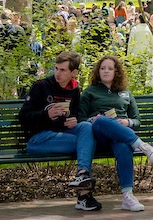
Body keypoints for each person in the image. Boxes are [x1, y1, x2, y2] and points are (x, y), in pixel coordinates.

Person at [19, 51, 103, 211]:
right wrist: (45, 114)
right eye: (56, 68)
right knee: (86, 144)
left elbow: (77, 113)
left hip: (61, 134)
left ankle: (82, 174)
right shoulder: (41, 86)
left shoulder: (75, 90)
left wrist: (74, 119)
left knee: (86, 127)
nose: (58, 73)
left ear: (74, 72)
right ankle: (84, 196)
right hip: (38, 139)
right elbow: (23, 117)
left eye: (63, 70)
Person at [77, 55, 153, 211]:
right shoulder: (89, 92)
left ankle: (127, 196)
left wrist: (127, 122)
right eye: (102, 68)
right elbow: (81, 120)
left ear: (117, 72)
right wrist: (93, 119)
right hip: (98, 136)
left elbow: (136, 120)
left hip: (120, 136)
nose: (106, 71)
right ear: (97, 72)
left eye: (110, 68)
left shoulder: (126, 93)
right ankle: (142, 145)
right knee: (101, 120)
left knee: (123, 145)